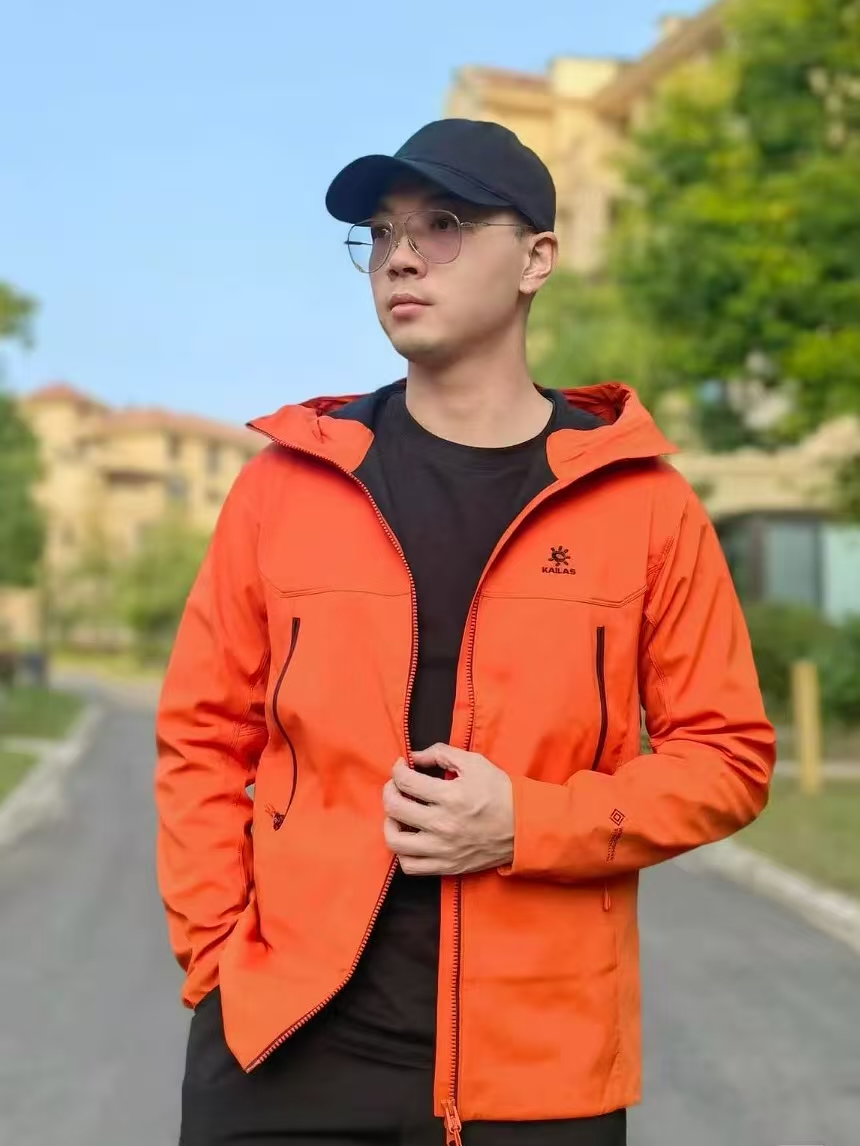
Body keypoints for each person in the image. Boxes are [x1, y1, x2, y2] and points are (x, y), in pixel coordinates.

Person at [154, 119, 775, 1146]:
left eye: (443, 224)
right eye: (382, 233)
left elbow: (727, 756)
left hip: (539, 1071)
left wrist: (527, 825)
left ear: (537, 259)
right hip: (283, 1049)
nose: (400, 256)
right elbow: (202, 737)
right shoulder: (286, 486)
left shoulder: (642, 505)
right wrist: (216, 957)